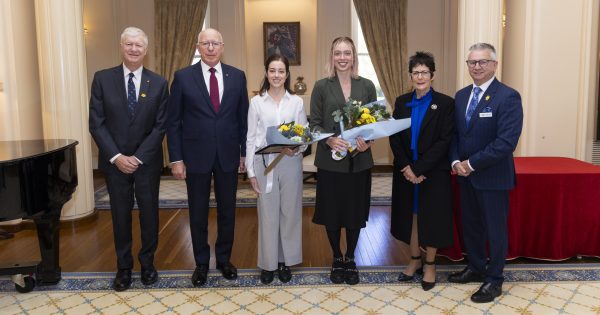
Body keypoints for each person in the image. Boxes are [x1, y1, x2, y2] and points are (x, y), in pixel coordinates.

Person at [166, 28, 249, 287]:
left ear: (222, 46)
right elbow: (173, 122)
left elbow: (243, 119)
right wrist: (176, 158)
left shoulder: (237, 76)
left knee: (228, 211)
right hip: (195, 157)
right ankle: (201, 263)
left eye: (215, 43)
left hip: (228, 156)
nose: (210, 48)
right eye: (206, 43)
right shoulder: (182, 77)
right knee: (198, 212)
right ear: (198, 47)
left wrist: (244, 153)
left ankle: (224, 260)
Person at [89, 26, 168, 291]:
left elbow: (160, 126)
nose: (134, 49)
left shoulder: (159, 83)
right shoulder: (102, 79)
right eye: (129, 44)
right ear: (121, 46)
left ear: (146, 50)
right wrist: (117, 157)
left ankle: (147, 265)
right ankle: (123, 269)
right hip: (115, 165)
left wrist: (137, 157)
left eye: (139, 46)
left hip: (147, 163)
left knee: (150, 216)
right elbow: (96, 124)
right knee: (120, 216)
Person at [448, 43, 523, 303]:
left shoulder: (508, 96)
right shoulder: (460, 96)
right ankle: (476, 267)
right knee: (471, 226)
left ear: (494, 64)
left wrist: (471, 164)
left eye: (482, 62)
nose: (476, 67)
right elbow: (456, 135)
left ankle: (494, 279)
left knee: (495, 230)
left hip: (492, 177)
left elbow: (506, 143)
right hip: (464, 176)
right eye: (472, 62)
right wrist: (456, 160)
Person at [309, 37, 376, 285]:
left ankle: (351, 258)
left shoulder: (366, 85)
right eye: (338, 53)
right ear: (332, 56)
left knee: (354, 212)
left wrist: (367, 142)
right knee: (333, 212)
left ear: (354, 56)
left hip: (359, 161)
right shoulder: (321, 86)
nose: (342, 58)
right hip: (330, 162)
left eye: (347, 53)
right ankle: (336, 257)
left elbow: (374, 123)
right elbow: (314, 123)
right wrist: (327, 141)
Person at [389, 52, 455, 291]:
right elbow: (394, 136)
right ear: (410, 76)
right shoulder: (402, 101)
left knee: (433, 217)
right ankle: (414, 259)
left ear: (432, 75)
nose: (420, 76)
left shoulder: (446, 104)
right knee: (412, 216)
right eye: (415, 72)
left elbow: (445, 141)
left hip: (432, 171)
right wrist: (407, 167)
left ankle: (430, 264)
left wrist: (420, 168)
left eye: (424, 72)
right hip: (406, 170)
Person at [245, 54, 305, 284]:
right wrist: (250, 172)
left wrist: (296, 149)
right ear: (266, 73)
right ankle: (268, 263)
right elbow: (251, 138)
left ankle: (285, 261)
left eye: (281, 71)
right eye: (272, 70)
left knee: (289, 213)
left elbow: (303, 135)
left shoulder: (296, 102)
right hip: (265, 163)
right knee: (268, 214)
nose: (277, 75)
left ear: (287, 74)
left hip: (289, 162)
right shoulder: (257, 102)